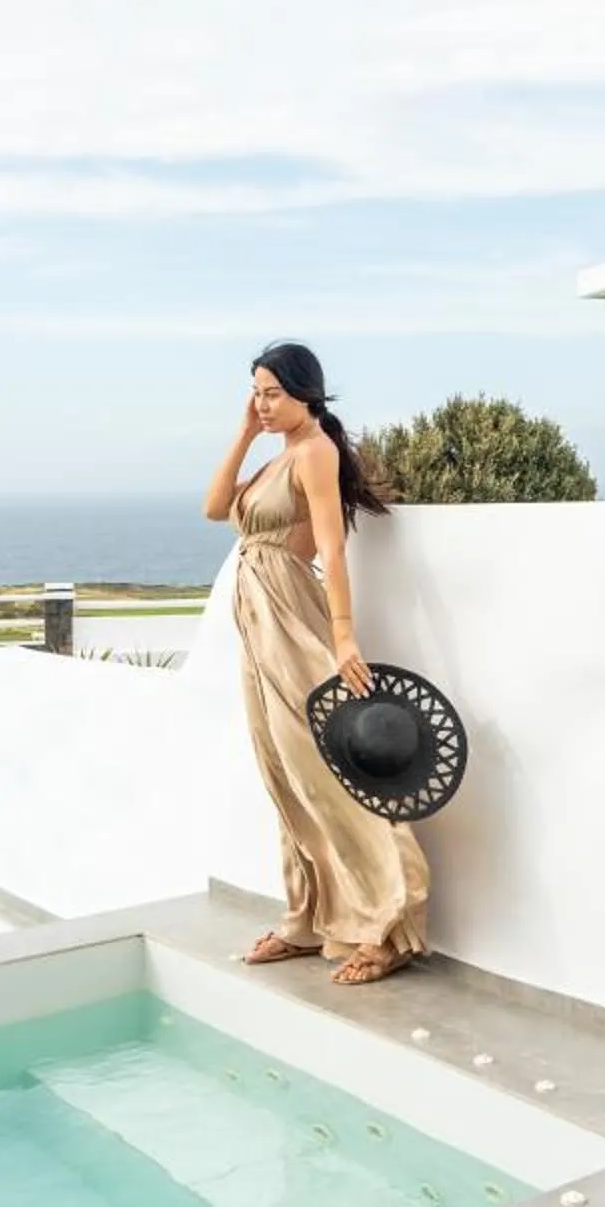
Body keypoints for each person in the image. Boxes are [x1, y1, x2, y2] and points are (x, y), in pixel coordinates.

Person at [203, 343, 430, 985]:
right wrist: (245, 433)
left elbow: (331, 548)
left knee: (324, 765)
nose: (262, 403)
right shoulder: (276, 455)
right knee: (281, 771)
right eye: (256, 392)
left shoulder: (315, 452)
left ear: (306, 392)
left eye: (273, 392)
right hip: (256, 626)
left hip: (290, 617)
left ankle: (387, 926)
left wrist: (345, 636)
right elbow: (216, 508)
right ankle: (307, 917)